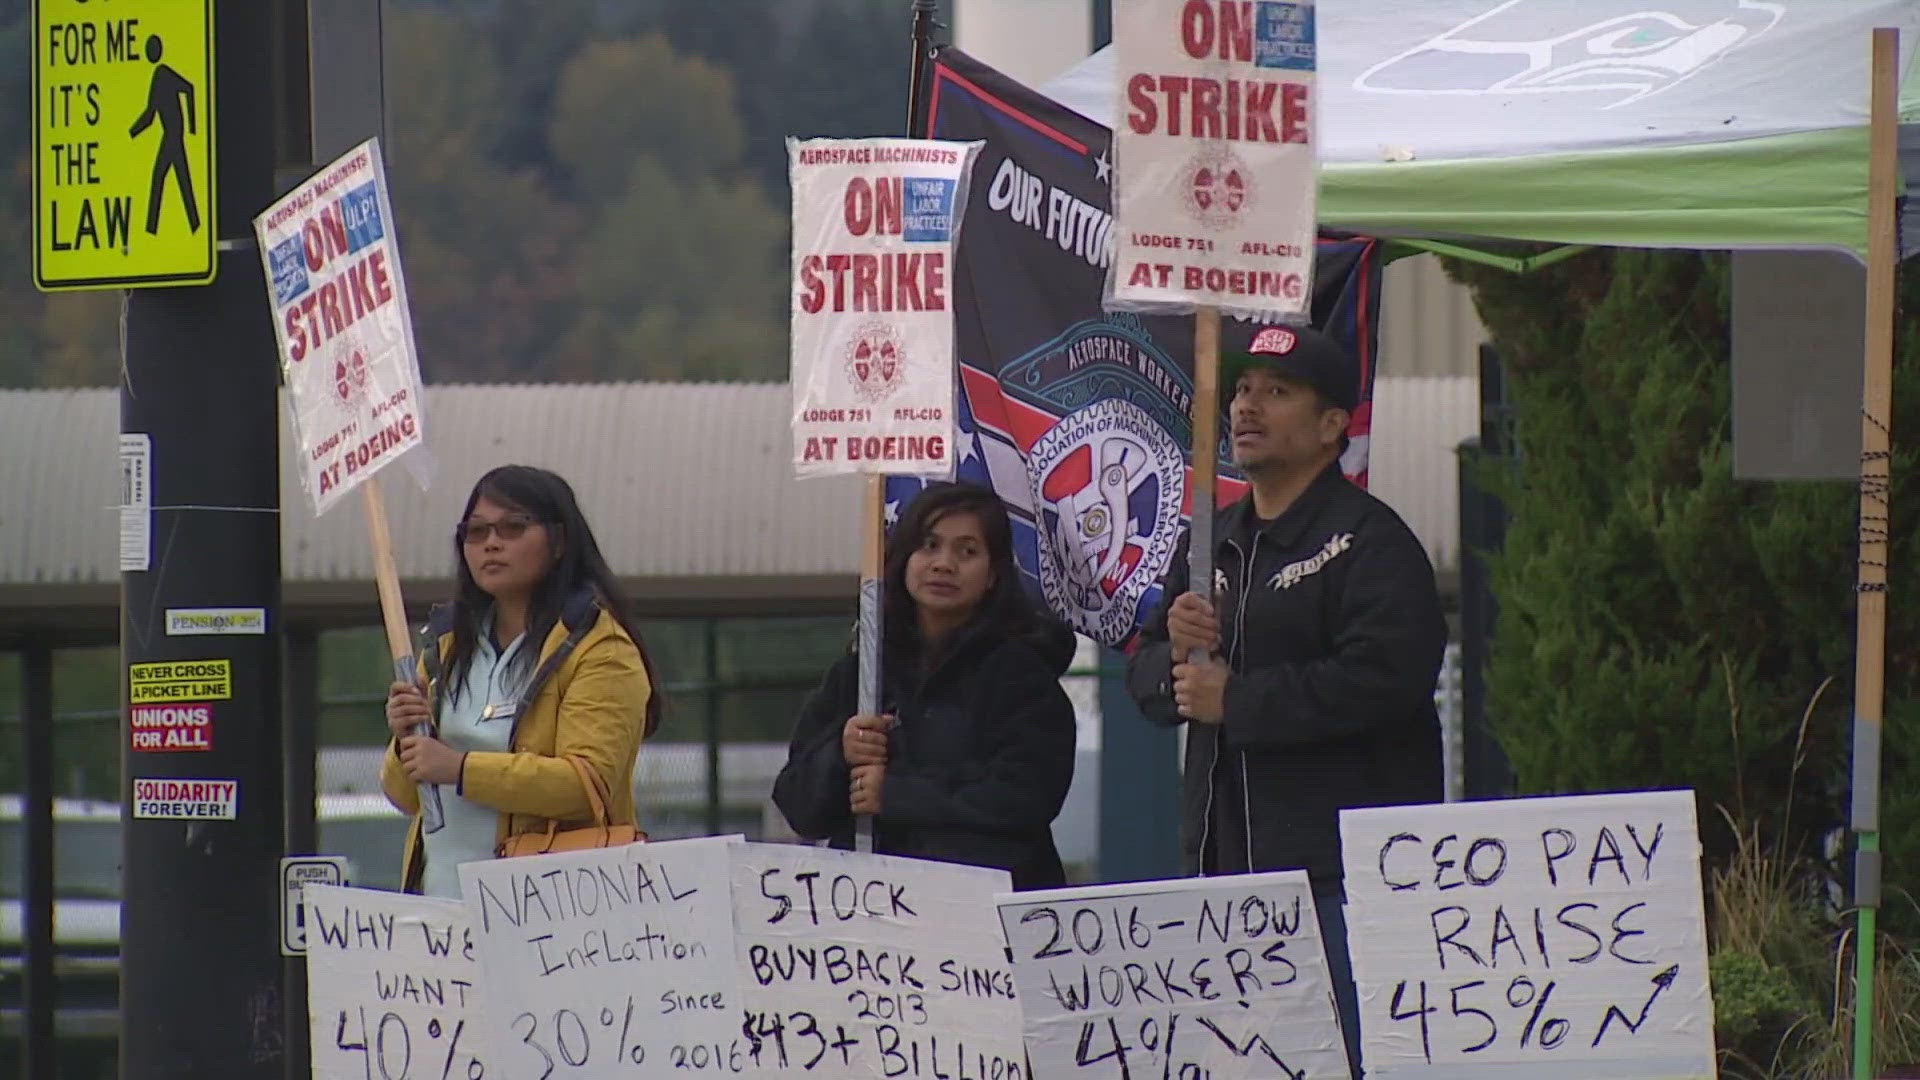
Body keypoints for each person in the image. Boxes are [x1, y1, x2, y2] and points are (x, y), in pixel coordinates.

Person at [1127, 325, 1447, 1074]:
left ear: (1334, 424)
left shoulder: (1370, 541)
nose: (1247, 407)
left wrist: (1237, 702)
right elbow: (1144, 677)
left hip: (1340, 882)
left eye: (1277, 391)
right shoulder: (1212, 542)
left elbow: (1387, 678)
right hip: (1222, 879)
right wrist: (1172, 652)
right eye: (1241, 389)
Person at [773, 482, 1078, 889]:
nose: (943, 564)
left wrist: (896, 796)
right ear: (902, 560)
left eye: (967, 551)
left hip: (985, 913)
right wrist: (839, 755)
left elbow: (1025, 798)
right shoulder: (859, 674)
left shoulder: (1024, 677)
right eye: (928, 546)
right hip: (869, 917)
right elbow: (798, 805)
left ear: (993, 575)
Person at [382, 465, 660, 897]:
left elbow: (586, 786)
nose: (491, 543)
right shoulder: (446, 646)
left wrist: (459, 768)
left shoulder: (601, 648)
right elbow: (405, 798)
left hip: (549, 922)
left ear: (560, 541)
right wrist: (406, 741)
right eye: (475, 532)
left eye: (513, 527)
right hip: (439, 910)